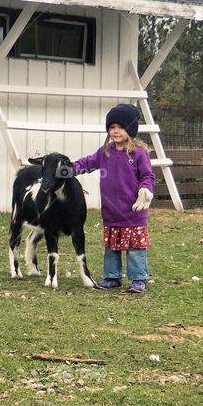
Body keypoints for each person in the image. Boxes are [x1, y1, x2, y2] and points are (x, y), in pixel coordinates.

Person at [72, 103, 156, 293]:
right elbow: (87, 163)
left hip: (133, 212)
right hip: (111, 212)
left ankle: (138, 279)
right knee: (112, 246)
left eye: (121, 127)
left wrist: (145, 190)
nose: (116, 131)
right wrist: (68, 169)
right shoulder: (105, 153)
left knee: (135, 248)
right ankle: (112, 277)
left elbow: (147, 176)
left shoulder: (139, 153)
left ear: (131, 129)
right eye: (112, 127)